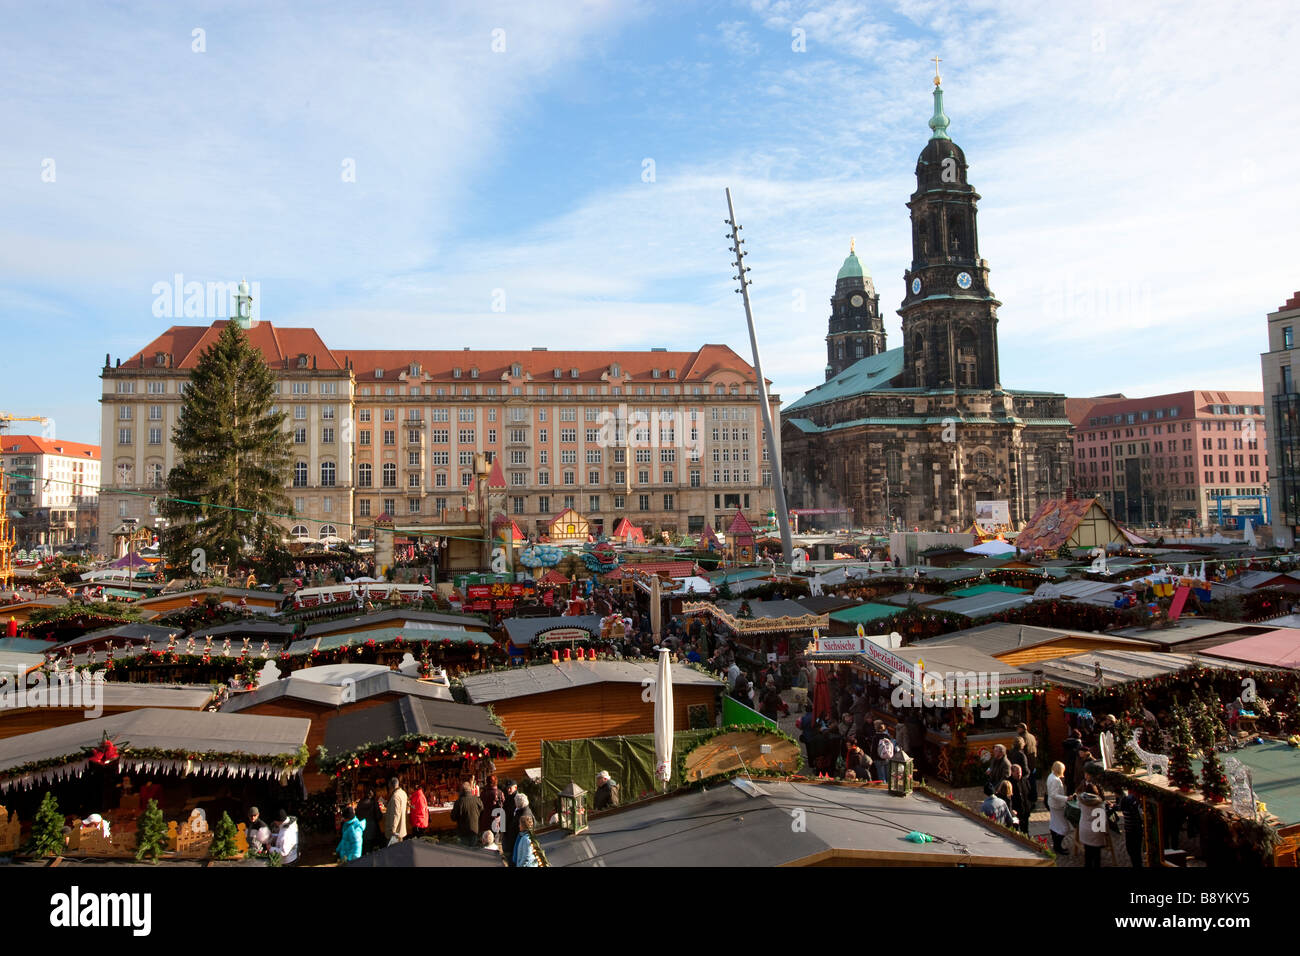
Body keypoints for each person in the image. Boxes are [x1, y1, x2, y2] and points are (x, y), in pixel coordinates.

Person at [1077, 783, 1108, 868]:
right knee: (1096, 856)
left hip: (1084, 830)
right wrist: (1105, 833)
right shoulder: (1100, 805)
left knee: (1087, 855)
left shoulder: (1081, 801)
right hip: (1096, 832)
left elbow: (1078, 804)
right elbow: (1102, 821)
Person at [1046, 760, 1070, 854]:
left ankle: (1056, 845)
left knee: (1054, 824)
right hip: (1057, 805)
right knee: (1065, 828)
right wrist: (1067, 798)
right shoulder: (1055, 780)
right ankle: (1057, 846)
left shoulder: (1050, 776)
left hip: (1052, 804)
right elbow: (1054, 794)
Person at [450, 782, 483, 847]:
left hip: (463, 831)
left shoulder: (459, 802)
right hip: (474, 829)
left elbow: (453, 817)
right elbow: (482, 810)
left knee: (464, 851)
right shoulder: (477, 799)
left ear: (461, 791)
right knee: (473, 849)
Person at [1119, 785, 1145, 868]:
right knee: (1135, 851)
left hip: (1133, 831)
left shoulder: (1130, 802)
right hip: (1134, 830)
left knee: (1133, 851)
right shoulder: (1133, 802)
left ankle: (1137, 865)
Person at [382, 776, 408, 846]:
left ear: (390, 786)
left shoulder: (395, 797)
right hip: (401, 829)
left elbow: (395, 814)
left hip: (395, 833)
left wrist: (392, 832)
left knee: (393, 853)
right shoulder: (403, 793)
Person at [1007, 764, 1031, 834]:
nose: (1019, 774)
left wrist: (1030, 806)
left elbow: (1029, 793)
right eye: (1017, 773)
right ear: (1012, 772)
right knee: (1014, 830)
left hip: (1024, 810)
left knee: (1025, 831)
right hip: (1015, 811)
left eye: (1020, 772)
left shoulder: (1024, 780)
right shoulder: (1009, 782)